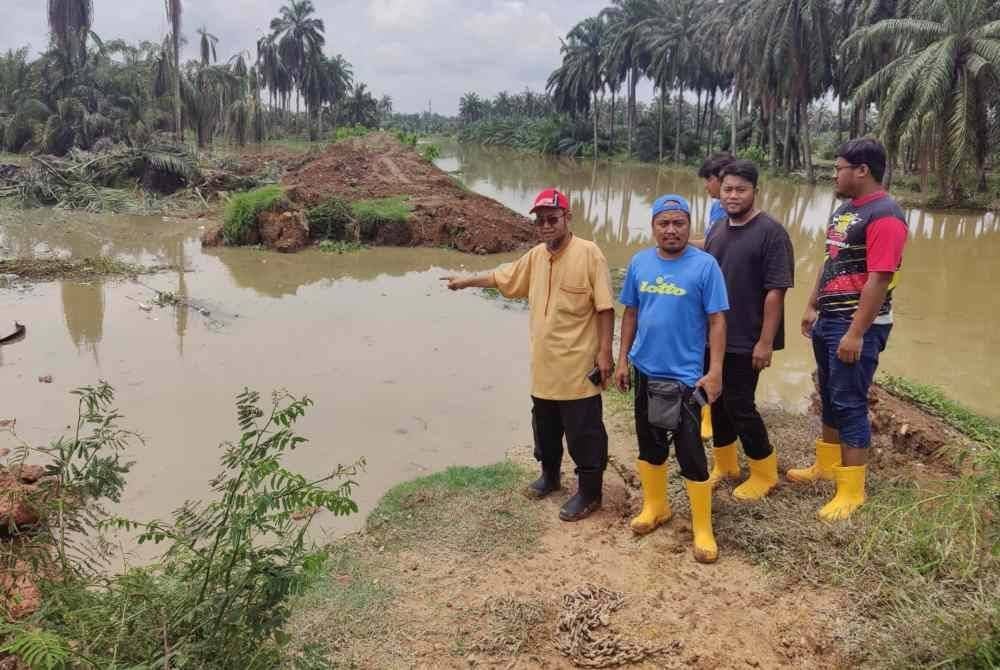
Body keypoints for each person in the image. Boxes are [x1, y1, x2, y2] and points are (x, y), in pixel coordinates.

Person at [443, 188, 615, 522]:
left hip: (578, 368)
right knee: (545, 429)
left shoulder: (589, 253)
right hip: (544, 367)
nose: (547, 226)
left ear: (568, 218)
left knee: (585, 434)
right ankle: (550, 477)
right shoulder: (537, 256)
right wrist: (465, 281)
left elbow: (606, 308)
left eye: (553, 219)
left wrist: (605, 354)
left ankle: (590, 492)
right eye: (540, 221)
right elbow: (501, 276)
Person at [790, 138, 908, 521]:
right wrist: (811, 305)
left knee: (850, 401)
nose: (834, 174)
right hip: (829, 317)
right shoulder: (845, 211)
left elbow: (880, 277)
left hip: (856, 323)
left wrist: (856, 332)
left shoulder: (886, 214)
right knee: (829, 393)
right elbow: (832, 262)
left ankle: (852, 490)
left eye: (839, 167)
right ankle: (825, 464)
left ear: (862, 170)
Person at [614, 195, 728, 563]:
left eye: (679, 223)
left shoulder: (706, 266)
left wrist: (714, 372)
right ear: (653, 228)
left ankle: (702, 528)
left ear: (689, 226)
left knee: (691, 454)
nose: (671, 230)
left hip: (687, 380)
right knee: (650, 446)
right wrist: (621, 361)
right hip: (646, 372)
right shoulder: (639, 263)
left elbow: (717, 322)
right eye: (664, 223)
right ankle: (656, 507)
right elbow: (630, 313)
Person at [703, 160, 794, 500]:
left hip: (747, 337)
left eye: (741, 189)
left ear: (756, 191)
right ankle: (725, 465)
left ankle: (764, 472)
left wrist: (766, 342)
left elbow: (776, 290)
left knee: (740, 404)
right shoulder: (718, 229)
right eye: (727, 189)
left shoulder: (771, 232)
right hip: (715, 335)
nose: (733, 195)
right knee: (716, 399)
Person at [697, 151, 735, 238]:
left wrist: (684, 244)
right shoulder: (717, 205)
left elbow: (715, 245)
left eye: (709, 180)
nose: (706, 186)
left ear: (724, 179)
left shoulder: (734, 213)